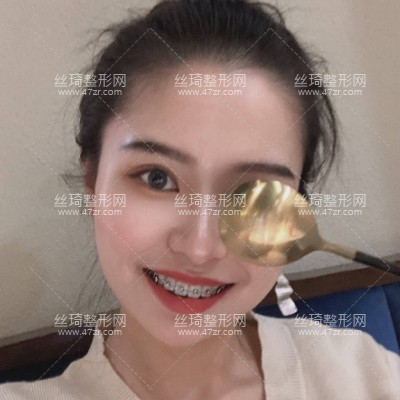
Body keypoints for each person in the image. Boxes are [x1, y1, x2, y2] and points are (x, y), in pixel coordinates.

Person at [1, 0, 399, 399]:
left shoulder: (367, 375)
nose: (200, 248)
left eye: (253, 195)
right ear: (93, 182)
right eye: (157, 179)